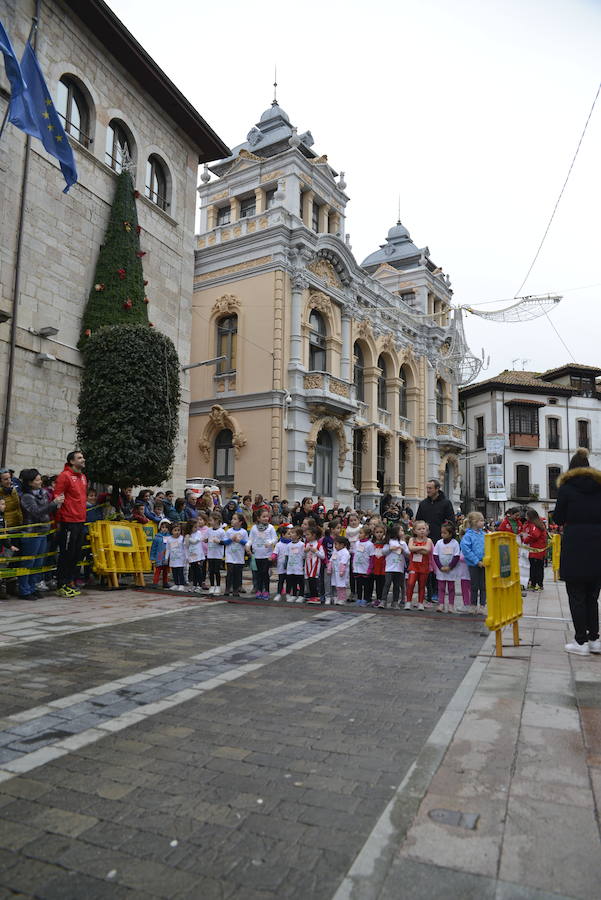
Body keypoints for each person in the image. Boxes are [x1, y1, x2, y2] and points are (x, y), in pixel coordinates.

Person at [553, 448, 601, 656]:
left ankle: (580, 641)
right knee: (592, 595)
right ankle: (594, 640)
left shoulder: (566, 488)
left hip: (575, 544)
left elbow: (558, 519)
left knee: (576, 595)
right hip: (598, 544)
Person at [18, 469, 64, 600]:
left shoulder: (43, 493)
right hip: (31, 533)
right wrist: (53, 504)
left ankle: (33, 587)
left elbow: (47, 509)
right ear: (30, 483)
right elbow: (36, 512)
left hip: (44, 531)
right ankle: (24, 590)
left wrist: (56, 504)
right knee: (28, 561)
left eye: (40, 479)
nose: (40, 482)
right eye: (37, 480)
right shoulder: (26, 496)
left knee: (38, 562)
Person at [415, 479, 455, 603]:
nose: (428, 490)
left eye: (430, 488)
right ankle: (429, 591)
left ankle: (437, 592)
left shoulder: (446, 503)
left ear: (437, 489)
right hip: (425, 541)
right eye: (427, 488)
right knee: (427, 567)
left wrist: (446, 536)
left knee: (437, 566)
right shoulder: (423, 504)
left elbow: (451, 522)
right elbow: (418, 521)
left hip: (440, 541)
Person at [54, 450, 87, 598]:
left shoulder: (83, 477)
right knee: (66, 554)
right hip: (68, 521)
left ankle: (70, 582)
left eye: (83, 457)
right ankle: (61, 584)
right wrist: (59, 522)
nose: (83, 459)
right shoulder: (64, 476)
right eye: (80, 458)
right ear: (72, 461)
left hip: (80, 521)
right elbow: (58, 498)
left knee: (76, 554)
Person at [248, 507, 277, 600]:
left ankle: (266, 591)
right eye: (263, 516)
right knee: (258, 574)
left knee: (265, 573)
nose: (266, 518)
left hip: (267, 555)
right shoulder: (254, 528)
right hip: (257, 555)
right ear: (258, 518)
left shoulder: (270, 528)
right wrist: (248, 546)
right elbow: (250, 539)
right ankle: (259, 590)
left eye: (267, 516)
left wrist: (270, 543)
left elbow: (275, 539)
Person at [461, 511, 486, 613]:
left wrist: (486, 559)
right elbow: (466, 550)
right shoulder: (468, 536)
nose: (483, 522)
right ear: (475, 522)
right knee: (474, 585)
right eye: (481, 520)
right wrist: (476, 561)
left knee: (484, 585)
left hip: (484, 563)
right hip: (474, 564)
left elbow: (488, 547)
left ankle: (483, 604)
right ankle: (473, 604)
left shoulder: (484, 534)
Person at [434, 522, 461, 613]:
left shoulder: (455, 543)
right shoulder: (439, 543)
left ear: (450, 533)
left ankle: (451, 605)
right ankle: (441, 603)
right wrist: (440, 567)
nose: (442, 535)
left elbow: (456, 556)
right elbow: (435, 555)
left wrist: (450, 567)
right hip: (441, 570)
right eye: (442, 533)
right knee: (441, 587)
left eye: (445, 533)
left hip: (451, 570)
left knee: (451, 588)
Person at [406, 521, 434, 610]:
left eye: (423, 529)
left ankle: (420, 602)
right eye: (419, 529)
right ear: (414, 531)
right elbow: (410, 548)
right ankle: (408, 601)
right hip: (413, 566)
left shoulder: (428, 540)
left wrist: (416, 549)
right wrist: (422, 548)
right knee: (410, 583)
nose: (422, 531)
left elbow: (428, 550)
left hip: (424, 566)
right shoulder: (412, 539)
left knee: (422, 585)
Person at [381, 523, 409, 610]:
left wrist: (403, 549)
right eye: (401, 530)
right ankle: (383, 600)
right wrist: (390, 548)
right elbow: (384, 552)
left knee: (397, 585)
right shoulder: (389, 542)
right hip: (389, 567)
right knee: (387, 584)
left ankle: (395, 602)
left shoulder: (403, 543)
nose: (402, 532)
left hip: (399, 568)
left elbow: (408, 554)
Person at [521, 508, 548, 591]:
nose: (525, 517)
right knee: (536, 568)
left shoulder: (536, 525)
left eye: (527, 516)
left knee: (536, 568)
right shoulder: (535, 524)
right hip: (535, 550)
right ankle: (534, 584)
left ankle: (537, 584)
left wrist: (525, 540)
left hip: (536, 551)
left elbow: (534, 535)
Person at [223, 512, 247, 597]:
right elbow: (225, 542)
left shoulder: (243, 532)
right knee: (230, 572)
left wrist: (240, 541)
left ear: (240, 522)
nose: (232, 520)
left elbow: (246, 543)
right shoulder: (229, 531)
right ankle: (227, 588)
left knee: (237, 573)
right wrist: (231, 539)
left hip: (239, 556)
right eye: (232, 518)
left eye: (235, 519)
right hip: (230, 555)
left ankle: (236, 589)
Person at [353, 525, 375, 606]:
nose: (359, 534)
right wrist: (353, 565)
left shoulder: (369, 544)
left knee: (366, 585)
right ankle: (359, 598)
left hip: (365, 568)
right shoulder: (357, 543)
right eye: (359, 533)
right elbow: (355, 555)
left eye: (361, 533)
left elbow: (372, 557)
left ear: (366, 535)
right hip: (357, 568)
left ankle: (366, 598)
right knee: (358, 584)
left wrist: (370, 569)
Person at [206, 511, 226, 595]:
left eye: (211, 520)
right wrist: (206, 540)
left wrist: (219, 541)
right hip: (210, 553)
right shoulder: (209, 530)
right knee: (211, 570)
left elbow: (224, 542)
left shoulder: (221, 531)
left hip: (217, 554)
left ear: (217, 520)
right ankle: (212, 585)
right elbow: (208, 538)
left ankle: (218, 586)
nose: (209, 522)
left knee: (216, 571)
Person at [304, 524, 324, 604]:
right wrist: (305, 551)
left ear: (314, 535)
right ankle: (312, 596)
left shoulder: (318, 545)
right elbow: (303, 556)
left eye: (308, 534)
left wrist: (316, 551)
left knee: (313, 581)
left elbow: (323, 556)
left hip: (315, 565)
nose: (306, 536)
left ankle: (316, 597)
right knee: (309, 581)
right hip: (307, 565)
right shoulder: (306, 544)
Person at [285, 526, 305, 602]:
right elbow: (287, 556)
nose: (290, 534)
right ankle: (293, 595)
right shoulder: (289, 545)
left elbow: (303, 556)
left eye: (293, 533)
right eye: (290, 533)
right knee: (292, 581)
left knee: (300, 582)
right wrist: (286, 565)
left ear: (298, 535)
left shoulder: (301, 545)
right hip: (291, 567)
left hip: (299, 567)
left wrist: (303, 565)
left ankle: (301, 595)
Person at [185, 519, 206, 593]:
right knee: (193, 571)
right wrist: (187, 556)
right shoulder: (188, 535)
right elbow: (186, 546)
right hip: (192, 556)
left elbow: (195, 541)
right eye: (194, 527)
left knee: (198, 571)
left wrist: (188, 538)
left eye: (196, 527)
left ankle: (199, 585)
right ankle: (194, 585)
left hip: (198, 556)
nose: (196, 529)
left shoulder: (199, 533)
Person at [272, 525, 292, 602]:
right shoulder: (279, 544)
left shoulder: (291, 544)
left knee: (289, 581)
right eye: (288, 534)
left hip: (290, 566)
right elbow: (275, 553)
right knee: (281, 580)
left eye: (291, 534)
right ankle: (278, 594)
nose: (290, 535)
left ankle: (288, 594)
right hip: (281, 566)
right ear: (283, 535)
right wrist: (272, 557)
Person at [329, 535, 350, 606]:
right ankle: (338, 597)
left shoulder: (345, 552)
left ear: (342, 545)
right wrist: (329, 568)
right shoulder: (335, 551)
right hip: (335, 572)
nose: (335, 546)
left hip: (342, 573)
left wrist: (341, 571)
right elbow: (331, 560)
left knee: (342, 586)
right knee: (337, 586)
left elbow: (343, 563)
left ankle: (342, 599)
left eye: (336, 544)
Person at [151, 519, 171, 588]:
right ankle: (155, 582)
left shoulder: (170, 537)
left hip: (167, 556)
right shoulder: (157, 537)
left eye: (166, 527)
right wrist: (152, 558)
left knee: (166, 570)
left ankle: (165, 582)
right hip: (159, 555)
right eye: (163, 527)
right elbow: (153, 548)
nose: (164, 529)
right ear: (160, 528)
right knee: (158, 570)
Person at [166, 522, 186, 591]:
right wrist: (166, 557)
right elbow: (168, 549)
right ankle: (176, 584)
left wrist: (186, 557)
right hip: (173, 559)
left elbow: (185, 548)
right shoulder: (169, 539)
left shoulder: (182, 538)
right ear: (171, 531)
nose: (177, 532)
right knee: (174, 572)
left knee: (180, 572)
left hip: (180, 558)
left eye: (178, 530)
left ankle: (181, 584)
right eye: (175, 530)